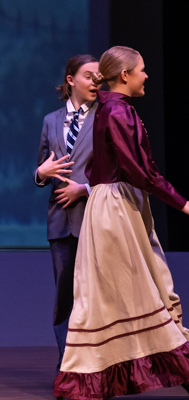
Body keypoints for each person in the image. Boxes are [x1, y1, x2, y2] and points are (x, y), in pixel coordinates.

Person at [53, 46, 189, 400]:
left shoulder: (110, 109)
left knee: (141, 287)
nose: (146, 76)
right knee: (127, 290)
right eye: (141, 70)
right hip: (115, 209)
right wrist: (185, 204)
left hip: (116, 204)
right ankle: (106, 374)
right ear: (124, 75)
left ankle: (175, 366)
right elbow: (140, 171)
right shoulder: (116, 112)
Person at [34, 54, 99, 372]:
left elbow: (114, 171)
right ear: (71, 79)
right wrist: (40, 173)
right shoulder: (50, 120)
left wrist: (83, 189)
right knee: (65, 297)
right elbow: (41, 171)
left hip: (95, 218)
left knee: (95, 295)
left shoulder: (105, 118)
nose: (96, 82)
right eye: (89, 76)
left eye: (99, 77)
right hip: (60, 221)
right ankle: (67, 364)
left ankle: (95, 363)